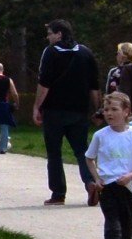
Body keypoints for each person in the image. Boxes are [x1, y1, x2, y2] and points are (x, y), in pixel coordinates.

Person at [33, 20, 100, 206]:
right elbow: (94, 86)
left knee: (54, 153)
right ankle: (91, 183)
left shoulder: (51, 52)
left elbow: (44, 84)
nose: (48, 37)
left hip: (54, 111)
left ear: (59, 34)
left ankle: (58, 194)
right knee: (82, 151)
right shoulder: (86, 52)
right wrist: (98, 110)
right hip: (80, 111)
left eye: (50, 33)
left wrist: (37, 107)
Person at [85, 91, 132, 239]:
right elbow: (89, 158)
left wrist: (131, 176)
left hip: (128, 186)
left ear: (126, 111)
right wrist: (96, 178)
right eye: (106, 109)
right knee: (113, 224)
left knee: (126, 225)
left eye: (114, 109)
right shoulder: (100, 135)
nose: (109, 113)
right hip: (108, 186)